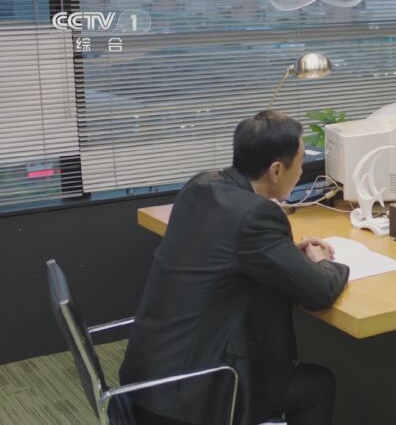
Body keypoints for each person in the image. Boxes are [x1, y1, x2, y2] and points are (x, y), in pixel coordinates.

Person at [120, 110, 350, 425]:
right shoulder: (256, 215)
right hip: (196, 397)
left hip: (147, 379)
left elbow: (222, 249)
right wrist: (323, 262)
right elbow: (319, 292)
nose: (302, 172)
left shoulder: (201, 185)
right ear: (276, 170)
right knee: (317, 386)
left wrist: (283, 255)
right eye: (299, 163)